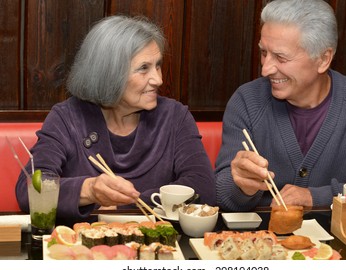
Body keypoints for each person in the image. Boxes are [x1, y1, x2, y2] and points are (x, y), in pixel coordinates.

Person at [16, 15, 216, 227]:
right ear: (109, 74)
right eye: (143, 68)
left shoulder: (175, 116)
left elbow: (203, 187)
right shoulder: (67, 118)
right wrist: (90, 190)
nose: (158, 79)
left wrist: (124, 207)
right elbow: (30, 188)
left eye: (158, 65)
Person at [216, 0, 346, 212]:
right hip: (259, 239)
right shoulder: (247, 100)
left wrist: (318, 196)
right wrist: (243, 187)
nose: (266, 69)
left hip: (335, 239)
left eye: (280, 57)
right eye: (264, 53)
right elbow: (222, 194)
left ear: (323, 59)